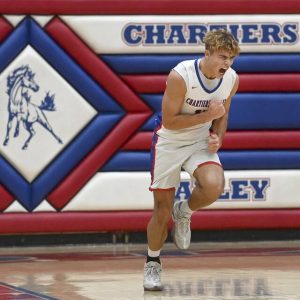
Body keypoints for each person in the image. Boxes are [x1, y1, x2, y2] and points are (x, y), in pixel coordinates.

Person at [143, 29, 240, 291]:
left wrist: (217, 138)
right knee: (161, 211)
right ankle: (153, 262)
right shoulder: (180, 76)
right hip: (170, 142)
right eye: (222, 57)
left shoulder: (231, 79)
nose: (227, 63)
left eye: (231, 58)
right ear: (206, 53)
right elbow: (171, 122)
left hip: (198, 141)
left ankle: (184, 212)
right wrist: (206, 116)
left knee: (213, 185)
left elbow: (222, 116)